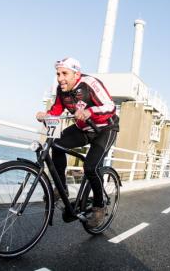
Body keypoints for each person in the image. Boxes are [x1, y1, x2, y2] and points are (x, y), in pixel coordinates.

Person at [36, 57, 119, 228]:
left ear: (76, 74)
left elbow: (110, 107)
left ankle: (99, 206)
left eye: (64, 73)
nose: (60, 78)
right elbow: (57, 109)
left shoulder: (90, 83)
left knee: (91, 167)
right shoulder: (61, 89)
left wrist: (90, 112)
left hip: (104, 129)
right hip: (83, 128)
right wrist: (46, 115)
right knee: (56, 144)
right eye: (58, 74)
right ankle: (61, 188)